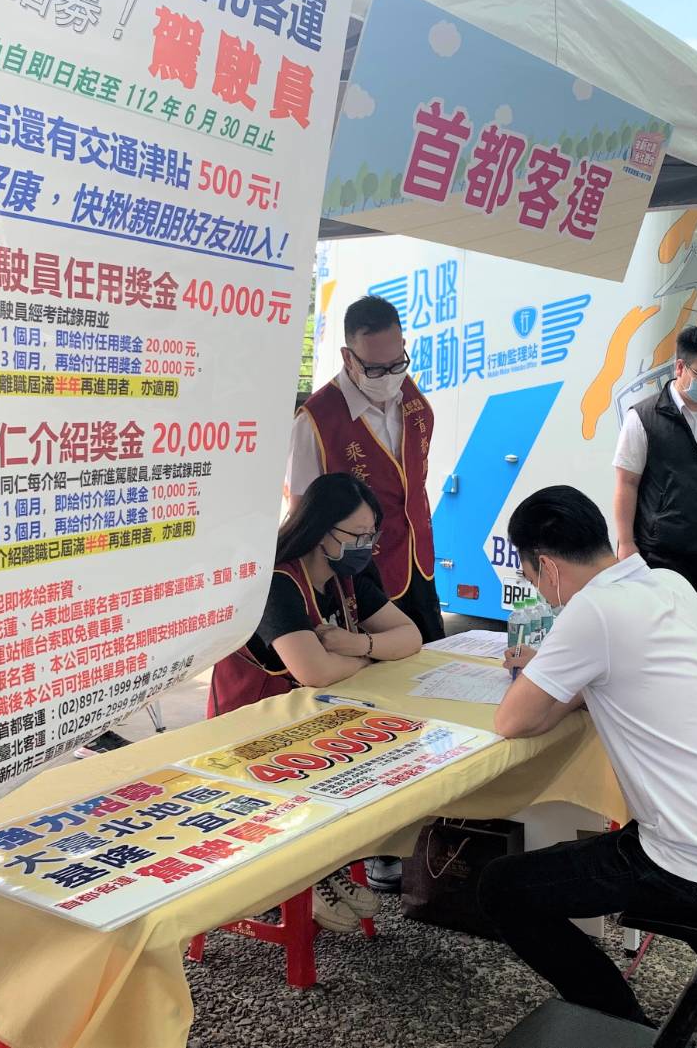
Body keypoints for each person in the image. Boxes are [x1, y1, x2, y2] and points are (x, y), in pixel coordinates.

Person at [477, 486, 697, 1026]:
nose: (540, 592)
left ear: (548, 567)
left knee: (502, 888)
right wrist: (564, 680)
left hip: (696, 858)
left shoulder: (591, 611)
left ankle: (624, 1026)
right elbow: (620, 676)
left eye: (530, 578)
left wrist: (546, 674)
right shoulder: (669, 583)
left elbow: (512, 720)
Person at [209, 473, 422, 931]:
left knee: (386, 756)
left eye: (371, 536)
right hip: (251, 733)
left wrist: (357, 645)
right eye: (356, 535)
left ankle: (325, 865)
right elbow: (313, 671)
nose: (365, 546)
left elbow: (410, 636)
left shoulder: (347, 578)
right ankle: (295, 875)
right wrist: (367, 655)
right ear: (321, 530)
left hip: (311, 722)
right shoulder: (277, 583)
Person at [286, 295, 445, 644]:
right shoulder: (316, 420)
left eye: (397, 364)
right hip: (357, 571)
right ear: (348, 357)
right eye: (375, 369)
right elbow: (301, 511)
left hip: (418, 560)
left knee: (431, 653)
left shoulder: (412, 399)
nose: (388, 378)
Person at [613, 322, 697, 653]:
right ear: (680, 367)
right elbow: (626, 482)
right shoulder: (644, 417)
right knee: (656, 636)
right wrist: (626, 543)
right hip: (658, 552)